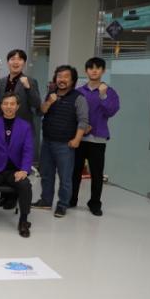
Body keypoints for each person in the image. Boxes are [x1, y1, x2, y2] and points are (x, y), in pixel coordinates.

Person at [33, 65, 89, 218]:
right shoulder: (50, 94)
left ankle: (62, 205)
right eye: (59, 76)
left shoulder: (79, 98)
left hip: (65, 144)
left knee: (65, 177)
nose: (62, 80)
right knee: (46, 174)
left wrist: (77, 139)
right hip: (47, 141)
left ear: (72, 80)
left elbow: (83, 121)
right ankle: (45, 201)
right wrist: (49, 102)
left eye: (66, 77)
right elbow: (40, 112)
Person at [0, 93, 34, 238]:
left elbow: (28, 150)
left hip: (15, 170)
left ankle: (23, 221)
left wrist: (24, 170)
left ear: (17, 106)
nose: (9, 107)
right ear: (1, 106)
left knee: (25, 185)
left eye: (12, 104)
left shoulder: (25, 126)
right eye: (6, 103)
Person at [70, 57, 120, 216]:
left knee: (97, 174)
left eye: (98, 68)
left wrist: (103, 95)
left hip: (98, 139)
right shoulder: (79, 91)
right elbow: (72, 113)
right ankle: (71, 199)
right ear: (86, 71)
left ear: (103, 71)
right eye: (91, 68)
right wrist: (80, 128)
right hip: (79, 137)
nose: (94, 71)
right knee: (75, 171)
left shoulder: (109, 92)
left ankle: (95, 203)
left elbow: (111, 111)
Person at [0, 49, 41, 210]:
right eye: (12, 59)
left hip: (21, 130)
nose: (16, 62)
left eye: (19, 59)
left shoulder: (30, 81)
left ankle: (13, 197)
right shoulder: (0, 82)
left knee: (16, 163)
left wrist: (28, 88)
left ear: (24, 63)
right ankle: (4, 196)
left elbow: (36, 104)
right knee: (3, 162)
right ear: (8, 62)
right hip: (2, 129)